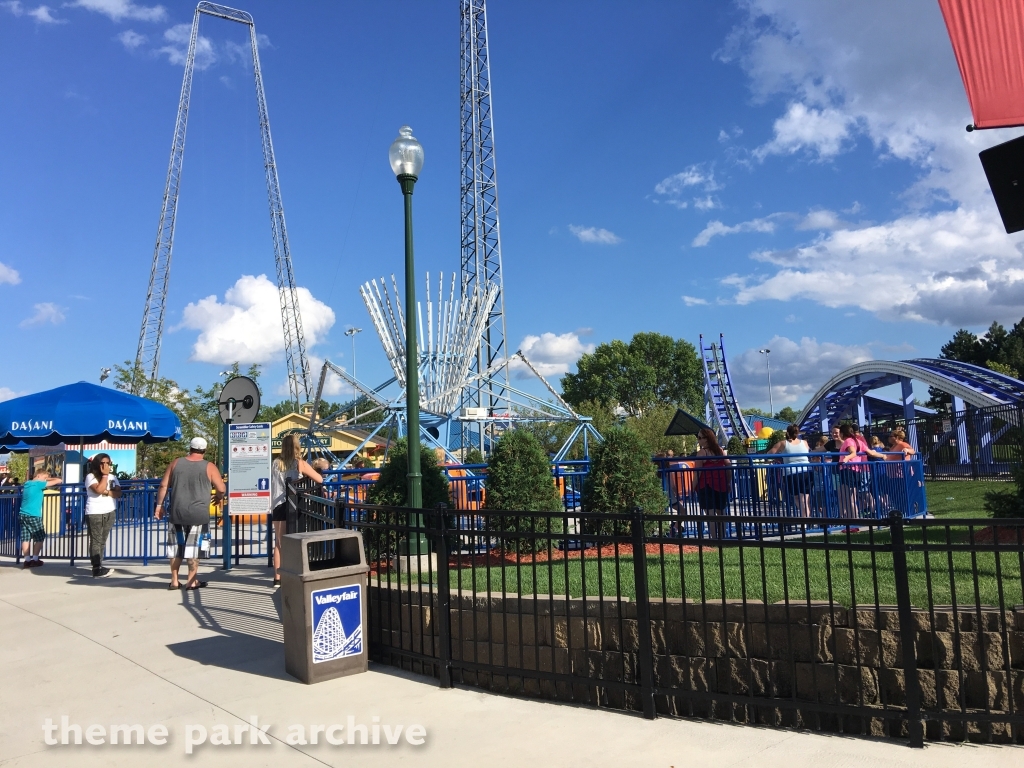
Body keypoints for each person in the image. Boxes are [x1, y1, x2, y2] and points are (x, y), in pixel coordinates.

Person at [155, 437, 225, 590]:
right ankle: (191, 581)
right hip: (198, 515)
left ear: (190, 448)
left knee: (175, 548)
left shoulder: (176, 463)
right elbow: (221, 488)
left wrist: (159, 506)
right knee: (194, 548)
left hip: (177, 512)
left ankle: (174, 581)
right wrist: (219, 497)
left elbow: (163, 485)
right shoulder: (209, 466)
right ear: (204, 450)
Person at [270, 434, 323, 587]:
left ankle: (277, 578)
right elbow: (319, 479)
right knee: (294, 540)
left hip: (277, 504)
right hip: (293, 505)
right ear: (297, 447)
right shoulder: (299, 463)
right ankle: (294, 572)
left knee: (279, 542)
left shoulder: (276, 463)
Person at [84, 453, 121, 578]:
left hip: (110, 510)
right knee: (96, 540)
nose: (105, 465)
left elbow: (118, 493)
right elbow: (98, 490)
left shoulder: (113, 477)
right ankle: (96, 568)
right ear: (97, 464)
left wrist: (106, 491)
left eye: (107, 463)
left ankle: (99, 564)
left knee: (102, 541)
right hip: (95, 512)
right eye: (102, 463)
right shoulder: (91, 476)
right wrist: (104, 476)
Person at [767, 424, 813, 517]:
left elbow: (769, 454)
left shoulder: (783, 443)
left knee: (797, 498)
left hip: (791, 473)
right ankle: (807, 517)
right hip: (806, 471)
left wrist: (779, 458)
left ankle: (805, 519)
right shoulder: (804, 442)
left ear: (787, 432)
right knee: (805, 498)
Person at [19, 469, 61, 568]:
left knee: (25, 538)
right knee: (40, 536)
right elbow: (59, 480)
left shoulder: (27, 483)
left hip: (23, 514)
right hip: (34, 514)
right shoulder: (38, 484)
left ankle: (27, 560)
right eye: (44, 478)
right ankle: (35, 559)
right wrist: (48, 479)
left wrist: (45, 478)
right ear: (38, 476)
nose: (45, 480)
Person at [694, 428, 731, 538]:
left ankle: (714, 539)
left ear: (706, 439)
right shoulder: (720, 451)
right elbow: (728, 466)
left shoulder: (702, 453)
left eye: (700, 438)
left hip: (706, 485)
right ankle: (722, 538)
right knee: (721, 512)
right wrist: (728, 482)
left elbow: (697, 473)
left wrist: (692, 487)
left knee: (710, 514)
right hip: (721, 484)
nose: (698, 440)